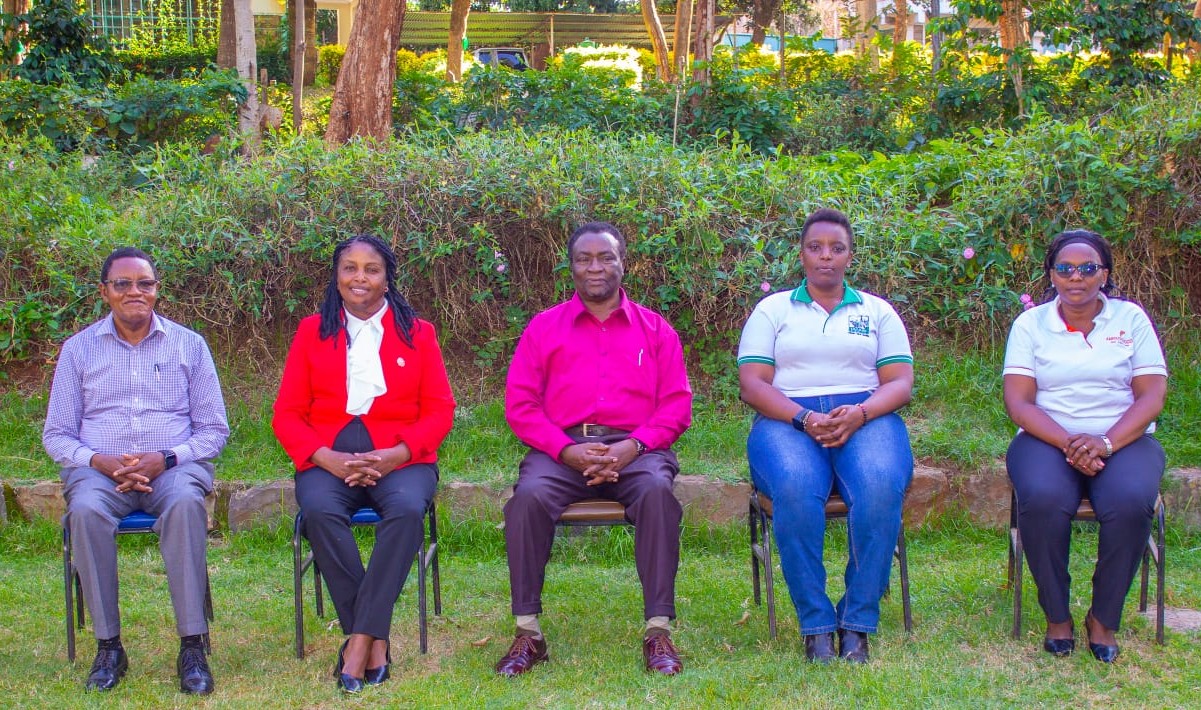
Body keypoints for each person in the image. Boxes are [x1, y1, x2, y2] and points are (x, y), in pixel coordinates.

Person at [496, 221, 693, 677]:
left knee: (658, 496)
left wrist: (634, 445)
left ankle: (657, 629)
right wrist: (566, 450)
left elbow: (676, 406)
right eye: (584, 259)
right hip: (562, 451)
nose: (595, 267)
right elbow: (521, 405)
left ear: (623, 263)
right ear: (571, 268)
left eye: (605, 257)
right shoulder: (544, 328)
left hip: (637, 450)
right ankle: (528, 632)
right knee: (526, 499)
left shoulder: (656, 329)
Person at [272, 234, 455, 693]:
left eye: (371, 269)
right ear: (337, 277)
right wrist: (323, 457)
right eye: (349, 268)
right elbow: (287, 413)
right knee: (319, 511)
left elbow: (439, 410)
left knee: (408, 511)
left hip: (401, 457)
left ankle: (358, 641)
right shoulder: (312, 331)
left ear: (387, 278)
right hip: (327, 456)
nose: (359, 277)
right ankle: (372, 635)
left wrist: (397, 455)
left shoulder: (419, 333)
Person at [43, 247, 229, 694]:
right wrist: (99, 461)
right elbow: (57, 434)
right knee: (85, 511)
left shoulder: (189, 345)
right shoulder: (78, 349)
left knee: (186, 503)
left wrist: (164, 458)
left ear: (156, 290)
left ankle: (192, 645)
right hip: (97, 472)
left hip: (172, 471)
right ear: (105, 291)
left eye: (144, 283)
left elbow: (213, 430)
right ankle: (109, 647)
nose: (134, 292)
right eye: (122, 284)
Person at [738, 208, 914, 664]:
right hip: (786, 418)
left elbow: (899, 383)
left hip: (866, 415)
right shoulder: (772, 309)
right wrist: (802, 419)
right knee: (795, 488)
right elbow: (754, 384)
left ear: (850, 256)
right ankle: (816, 624)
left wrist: (860, 412)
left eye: (837, 248)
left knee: (878, 486)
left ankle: (856, 621)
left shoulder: (877, 311)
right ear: (801, 253)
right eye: (815, 247)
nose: (826, 257)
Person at [1003, 229, 1167, 663]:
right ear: (1052, 275)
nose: (1077, 277)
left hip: (1124, 438)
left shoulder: (1130, 319)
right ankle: (1057, 617)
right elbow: (1019, 403)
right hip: (1046, 438)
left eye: (1088, 268)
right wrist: (1073, 444)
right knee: (1040, 499)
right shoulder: (1031, 324)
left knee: (1132, 500)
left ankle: (1103, 619)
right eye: (1066, 269)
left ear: (1104, 275)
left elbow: (1151, 395)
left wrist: (1106, 442)